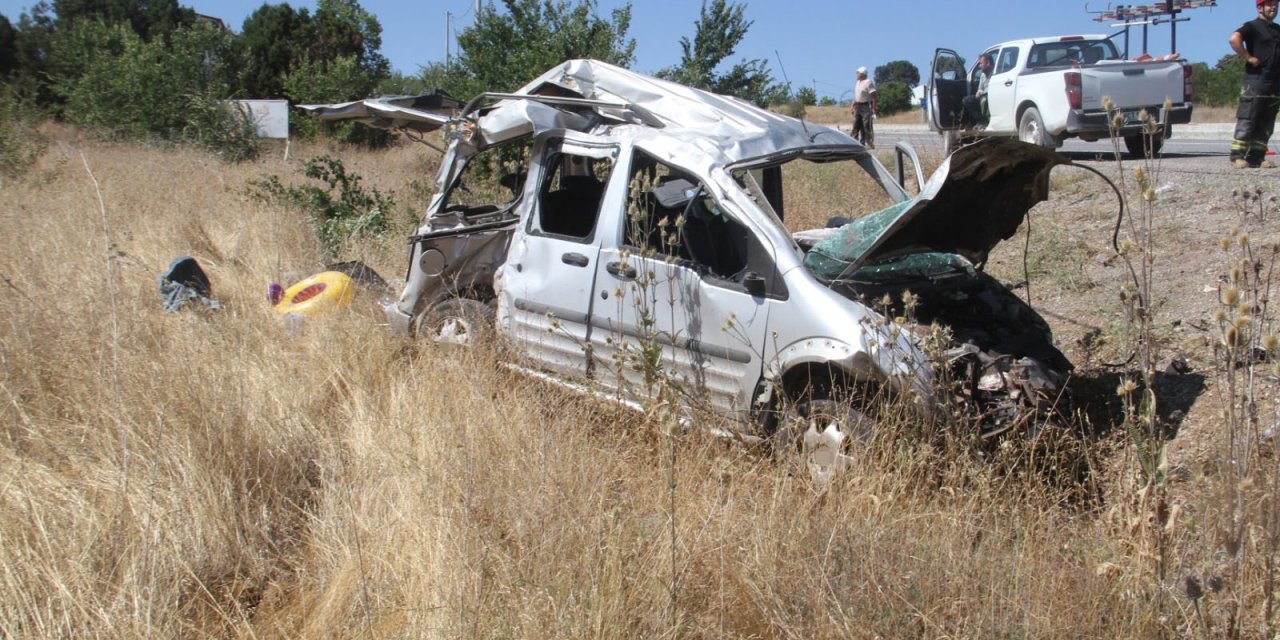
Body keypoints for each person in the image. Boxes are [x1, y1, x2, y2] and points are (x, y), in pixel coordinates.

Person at [1228, 0, 1280, 169]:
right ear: (1260, 7)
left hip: (1274, 82)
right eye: (1270, 4)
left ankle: (1257, 157)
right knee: (1248, 117)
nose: (1274, 8)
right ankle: (1238, 156)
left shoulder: (1277, 30)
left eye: (1276, 5)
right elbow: (1234, 39)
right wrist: (1248, 57)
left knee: (1266, 121)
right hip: (1255, 80)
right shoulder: (1252, 26)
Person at [963, 53, 994, 130]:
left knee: (985, 98)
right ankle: (977, 122)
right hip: (983, 95)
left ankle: (986, 122)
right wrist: (978, 92)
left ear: (988, 63)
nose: (979, 66)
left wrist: (982, 93)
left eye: (981, 63)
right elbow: (980, 87)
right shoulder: (983, 74)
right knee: (967, 100)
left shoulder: (995, 72)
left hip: (992, 96)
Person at [850, 66, 877, 148]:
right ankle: (854, 141)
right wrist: (853, 105)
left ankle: (869, 142)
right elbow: (857, 95)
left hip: (866, 105)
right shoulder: (858, 83)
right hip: (858, 105)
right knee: (856, 124)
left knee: (866, 125)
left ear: (863, 74)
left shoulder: (868, 82)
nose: (856, 75)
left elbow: (874, 96)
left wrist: (873, 108)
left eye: (858, 73)